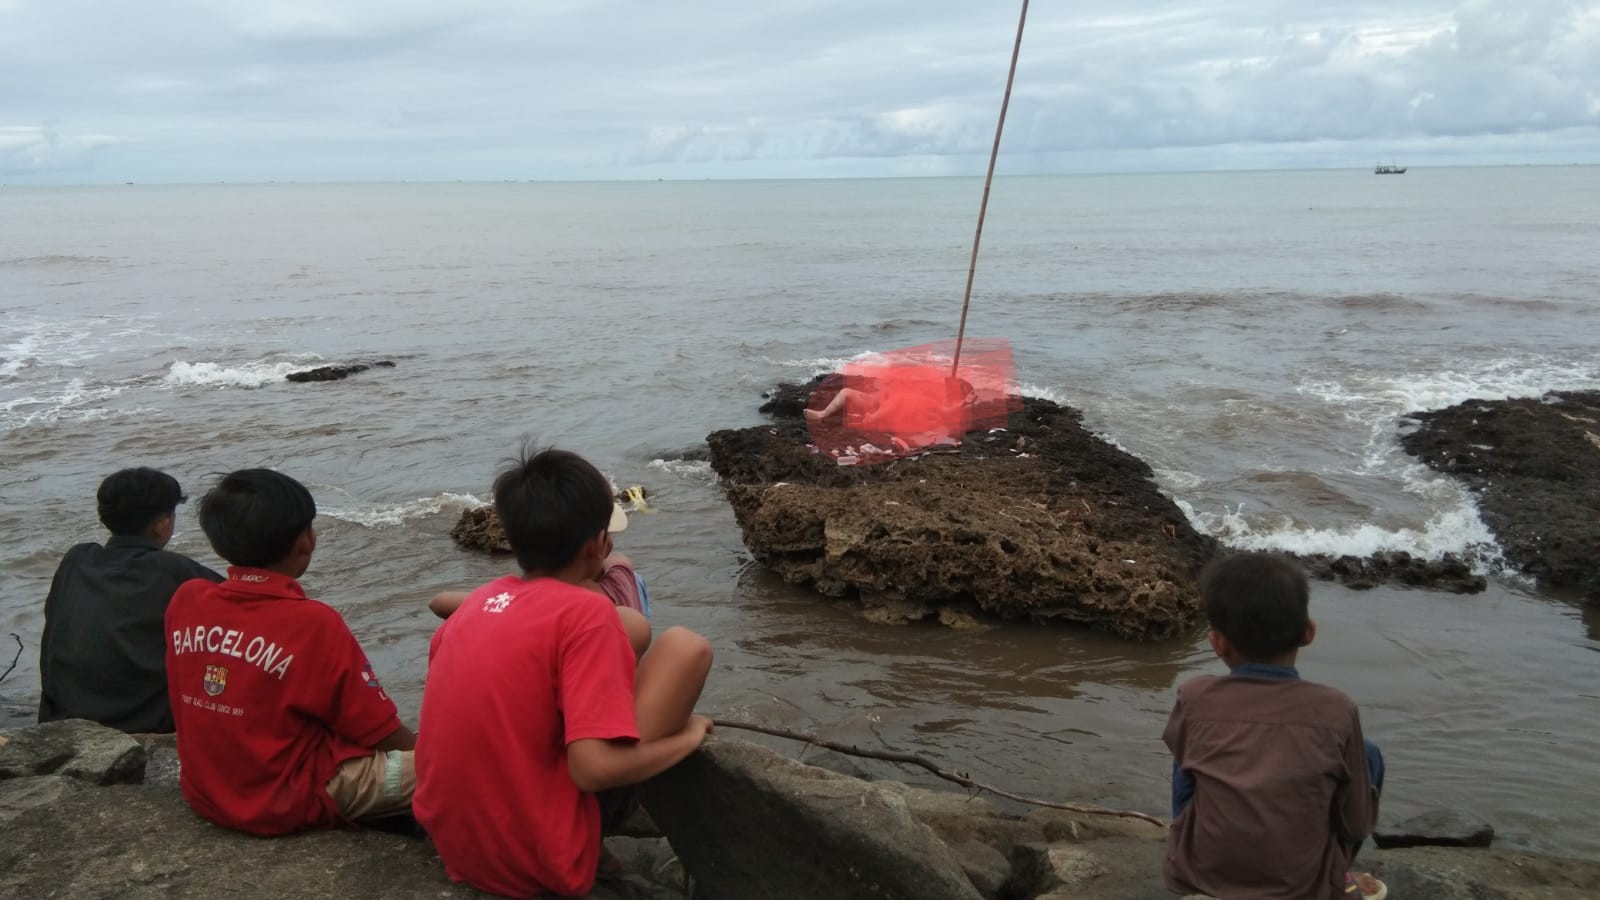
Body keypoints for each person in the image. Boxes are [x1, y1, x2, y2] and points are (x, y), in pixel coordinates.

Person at [414, 446, 714, 898]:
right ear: (599, 544)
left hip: (459, 848)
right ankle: (590, 855)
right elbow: (592, 771)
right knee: (687, 647)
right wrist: (687, 738)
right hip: (538, 861)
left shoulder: (472, 607)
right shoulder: (589, 614)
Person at [164, 468, 416, 836]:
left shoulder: (186, 600)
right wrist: (424, 752)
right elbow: (380, 731)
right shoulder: (313, 622)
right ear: (306, 541)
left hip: (207, 791)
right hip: (286, 798)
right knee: (457, 763)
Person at [1164, 552, 1387, 900]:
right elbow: (1356, 824)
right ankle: (1340, 877)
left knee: (1189, 743)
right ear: (1308, 632)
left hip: (1197, 878)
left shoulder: (1194, 695)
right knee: (1367, 752)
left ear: (1217, 641)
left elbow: (1187, 784)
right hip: (1303, 888)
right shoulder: (1337, 709)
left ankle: (1196, 850)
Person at [38, 467, 221, 733]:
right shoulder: (171, 570)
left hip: (63, 716)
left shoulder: (76, 560)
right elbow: (243, 602)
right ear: (162, 525)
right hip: (142, 722)